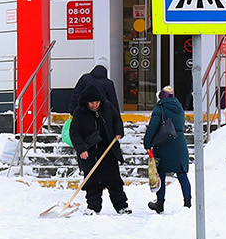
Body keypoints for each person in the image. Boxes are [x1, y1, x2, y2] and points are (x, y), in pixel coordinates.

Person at [71, 84, 130, 214]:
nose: (95, 105)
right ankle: (93, 207)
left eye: (97, 102)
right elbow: (74, 132)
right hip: (90, 152)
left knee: (114, 182)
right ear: (86, 102)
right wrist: (81, 149)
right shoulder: (79, 112)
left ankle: (122, 207)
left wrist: (118, 132)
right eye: (92, 103)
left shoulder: (107, 107)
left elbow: (117, 120)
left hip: (108, 150)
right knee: (92, 182)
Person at [144, 86, 192, 213]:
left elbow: (153, 126)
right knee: (182, 174)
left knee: (161, 174)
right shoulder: (179, 108)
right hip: (179, 143)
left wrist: (147, 142)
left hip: (164, 143)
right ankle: (187, 203)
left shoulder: (159, 108)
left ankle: (160, 204)